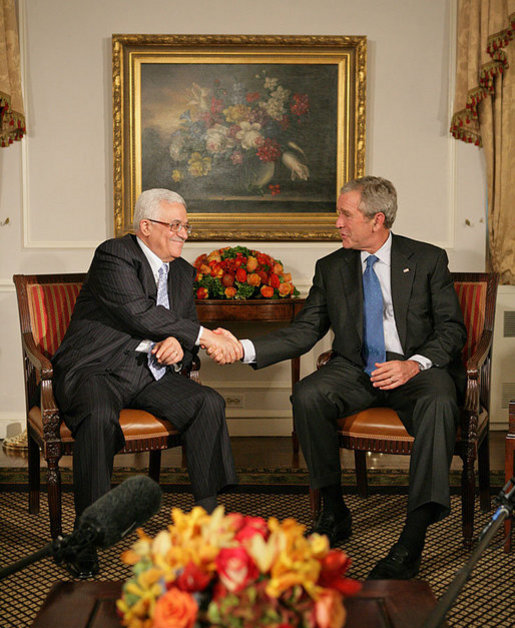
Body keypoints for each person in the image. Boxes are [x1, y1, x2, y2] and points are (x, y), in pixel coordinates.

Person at [211, 176, 467, 580]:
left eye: (346, 215)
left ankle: (412, 538)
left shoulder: (427, 259)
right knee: (308, 395)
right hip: (356, 367)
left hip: (415, 369)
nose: (338, 224)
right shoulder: (331, 267)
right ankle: (333, 510)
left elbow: (452, 329)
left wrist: (413, 364)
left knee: (439, 402)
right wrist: (245, 348)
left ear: (377, 219)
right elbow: (305, 330)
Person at [53, 188, 241, 575]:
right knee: (100, 415)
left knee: (209, 403)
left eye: (186, 226)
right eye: (175, 225)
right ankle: (84, 538)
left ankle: (209, 524)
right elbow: (140, 313)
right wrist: (204, 337)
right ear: (145, 226)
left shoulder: (184, 272)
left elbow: (180, 336)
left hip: (148, 373)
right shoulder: (114, 256)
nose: (184, 234)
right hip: (96, 368)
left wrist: (180, 347)